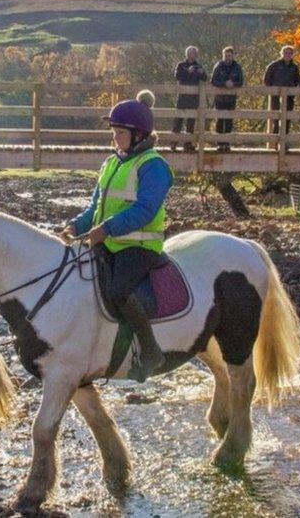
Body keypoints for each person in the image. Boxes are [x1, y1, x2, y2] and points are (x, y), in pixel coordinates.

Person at [60, 90, 173, 381]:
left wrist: (106, 229)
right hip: (108, 242)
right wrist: (75, 226)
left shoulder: (154, 165)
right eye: (114, 131)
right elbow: (94, 207)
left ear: (138, 134)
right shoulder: (112, 163)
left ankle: (150, 350)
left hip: (139, 245)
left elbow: (146, 209)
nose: (115, 138)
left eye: (120, 132)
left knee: (119, 290)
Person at [171, 46, 206, 152]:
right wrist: (188, 72)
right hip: (182, 97)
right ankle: (173, 143)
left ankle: (188, 144)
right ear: (187, 54)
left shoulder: (198, 66)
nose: (193, 55)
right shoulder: (181, 65)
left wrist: (202, 73)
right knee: (178, 121)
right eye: (191, 53)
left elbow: (205, 78)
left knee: (190, 123)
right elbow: (177, 76)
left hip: (194, 98)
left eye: (194, 53)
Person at [263, 45, 300, 143]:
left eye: (290, 53)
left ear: (292, 55)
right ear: (282, 53)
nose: (288, 55)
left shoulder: (294, 67)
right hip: (275, 95)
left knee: (287, 119)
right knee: (276, 118)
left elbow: (297, 81)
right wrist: (273, 90)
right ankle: (275, 142)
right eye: (286, 53)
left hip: (289, 96)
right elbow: (267, 80)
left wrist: (291, 89)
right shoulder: (274, 65)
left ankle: (285, 143)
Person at [211, 46, 245, 152]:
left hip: (231, 98)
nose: (227, 57)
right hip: (220, 98)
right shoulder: (218, 66)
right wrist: (224, 84)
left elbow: (241, 82)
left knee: (229, 121)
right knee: (220, 120)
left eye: (229, 55)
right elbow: (213, 81)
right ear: (223, 55)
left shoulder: (237, 67)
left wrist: (233, 84)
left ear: (233, 56)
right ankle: (220, 143)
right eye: (225, 55)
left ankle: (227, 143)